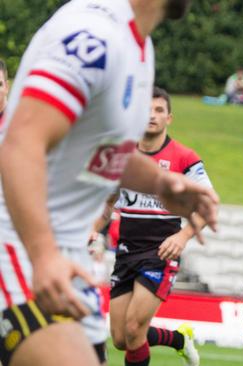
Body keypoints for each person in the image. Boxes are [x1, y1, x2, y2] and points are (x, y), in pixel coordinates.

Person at [0, 1, 219, 366]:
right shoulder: (93, 34)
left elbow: (96, 148)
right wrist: (43, 255)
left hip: (64, 255)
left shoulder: (139, 46)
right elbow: (20, 144)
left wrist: (161, 182)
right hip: (20, 246)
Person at [97, 86, 211, 366]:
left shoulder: (184, 158)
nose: (152, 115)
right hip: (126, 253)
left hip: (160, 254)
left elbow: (207, 204)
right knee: (121, 338)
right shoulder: (122, 157)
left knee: (135, 331)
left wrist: (183, 236)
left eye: (159, 110)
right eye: (146, 110)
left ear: (169, 118)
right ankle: (179, 339)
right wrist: (91, 229)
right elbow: (108, 203)